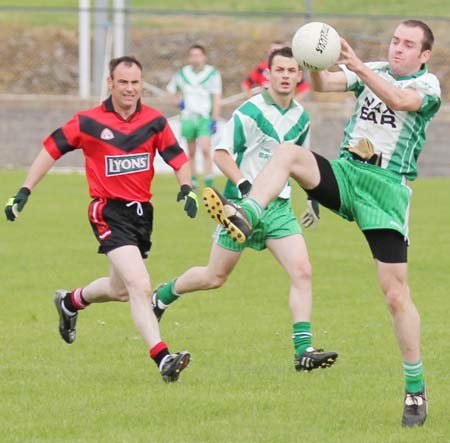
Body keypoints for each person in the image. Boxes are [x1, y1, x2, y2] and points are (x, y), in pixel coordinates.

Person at [202, 20, 441, 426]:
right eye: (395, 40)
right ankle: (248, 212)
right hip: (347, 175)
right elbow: (324, 84)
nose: (398, 48)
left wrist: (360, 67)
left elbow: (401, 101)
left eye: (408, 45)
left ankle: (415, 390)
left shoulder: (429, 85)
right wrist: (313, 55)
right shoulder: (376, 67)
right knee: (289, 153)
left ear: (424, 54)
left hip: (385, 192)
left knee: (395, 293)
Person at [4, 56, 199, 383]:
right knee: (139, 285)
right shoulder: (87, 122)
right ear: (110, 83)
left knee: (119, 289)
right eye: (123, 82)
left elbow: (178, 158)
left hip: (142, 215)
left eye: (135, 82)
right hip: (107, 211)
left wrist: (187, 188)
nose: (130, 89)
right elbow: (51, 149)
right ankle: (163, 358)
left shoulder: (154, 121)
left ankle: (70, 301)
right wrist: (24, 190)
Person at [153, 47, 338, 372]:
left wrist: (313, 197)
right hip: (241, 209)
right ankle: (162, 296)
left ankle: (303, 350)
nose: (284, 75)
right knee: (214, 277)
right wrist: (243, 185)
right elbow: (221, 154)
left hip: (279, 209)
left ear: (299, 76)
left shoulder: (301, 117)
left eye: (291, 70)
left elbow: (303, 162)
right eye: (278, 70)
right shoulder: (250, 111)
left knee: (302, 271)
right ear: (267, 74)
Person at [167, 44, 222, 189]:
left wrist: (214, 118)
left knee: (205, 149)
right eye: (193, 55)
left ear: (204, 57)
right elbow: (171, 91)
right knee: (191, 151)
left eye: (198, 55)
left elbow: (216, 97)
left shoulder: (212, 74)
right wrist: (178, 102)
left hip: (204, 116)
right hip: (188, 117)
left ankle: (209, 181)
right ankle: (193, 180)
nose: (195, 58)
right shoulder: (182, 74)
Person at [242, 41, 311, 102]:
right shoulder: (262, 67)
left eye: (279, 51)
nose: (285, 75)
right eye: (273, 51)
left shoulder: (290, 69)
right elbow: (246, 83)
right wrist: (251, 100)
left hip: (282, 106)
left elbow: (305, 88)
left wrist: (294, 102)